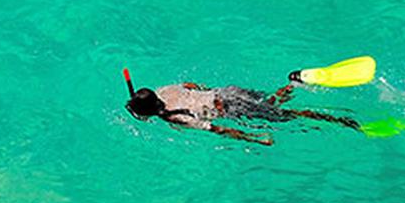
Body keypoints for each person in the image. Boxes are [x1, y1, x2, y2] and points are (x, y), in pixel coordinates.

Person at [124, 75, 360, 145]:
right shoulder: (163, 89)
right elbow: (191, 85)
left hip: (229, 106)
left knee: (288, 116)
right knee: (269, 102)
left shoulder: (173, 118)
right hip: (226, 92)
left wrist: (253, 138)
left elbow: (216, 129)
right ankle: (293, 83)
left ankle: (339, 120)